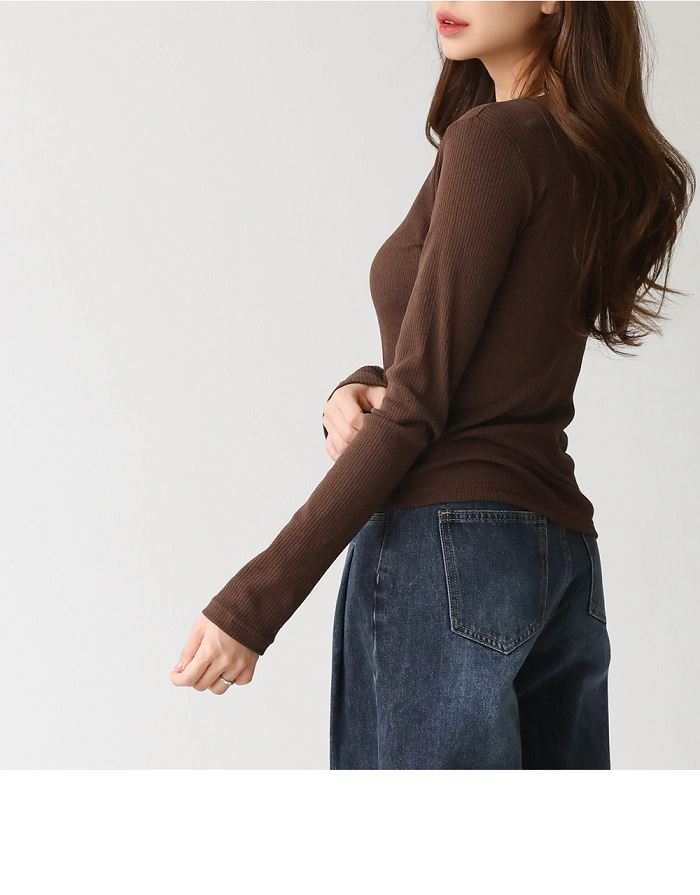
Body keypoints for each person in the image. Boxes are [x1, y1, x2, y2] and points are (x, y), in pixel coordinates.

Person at [169, 1, 695, 769]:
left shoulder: (492, 142)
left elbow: (421, 404)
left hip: (444, 551)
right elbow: (494, 358)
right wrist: (364, 383)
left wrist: (253, 603)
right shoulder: (586, 155)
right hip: (560, 556)